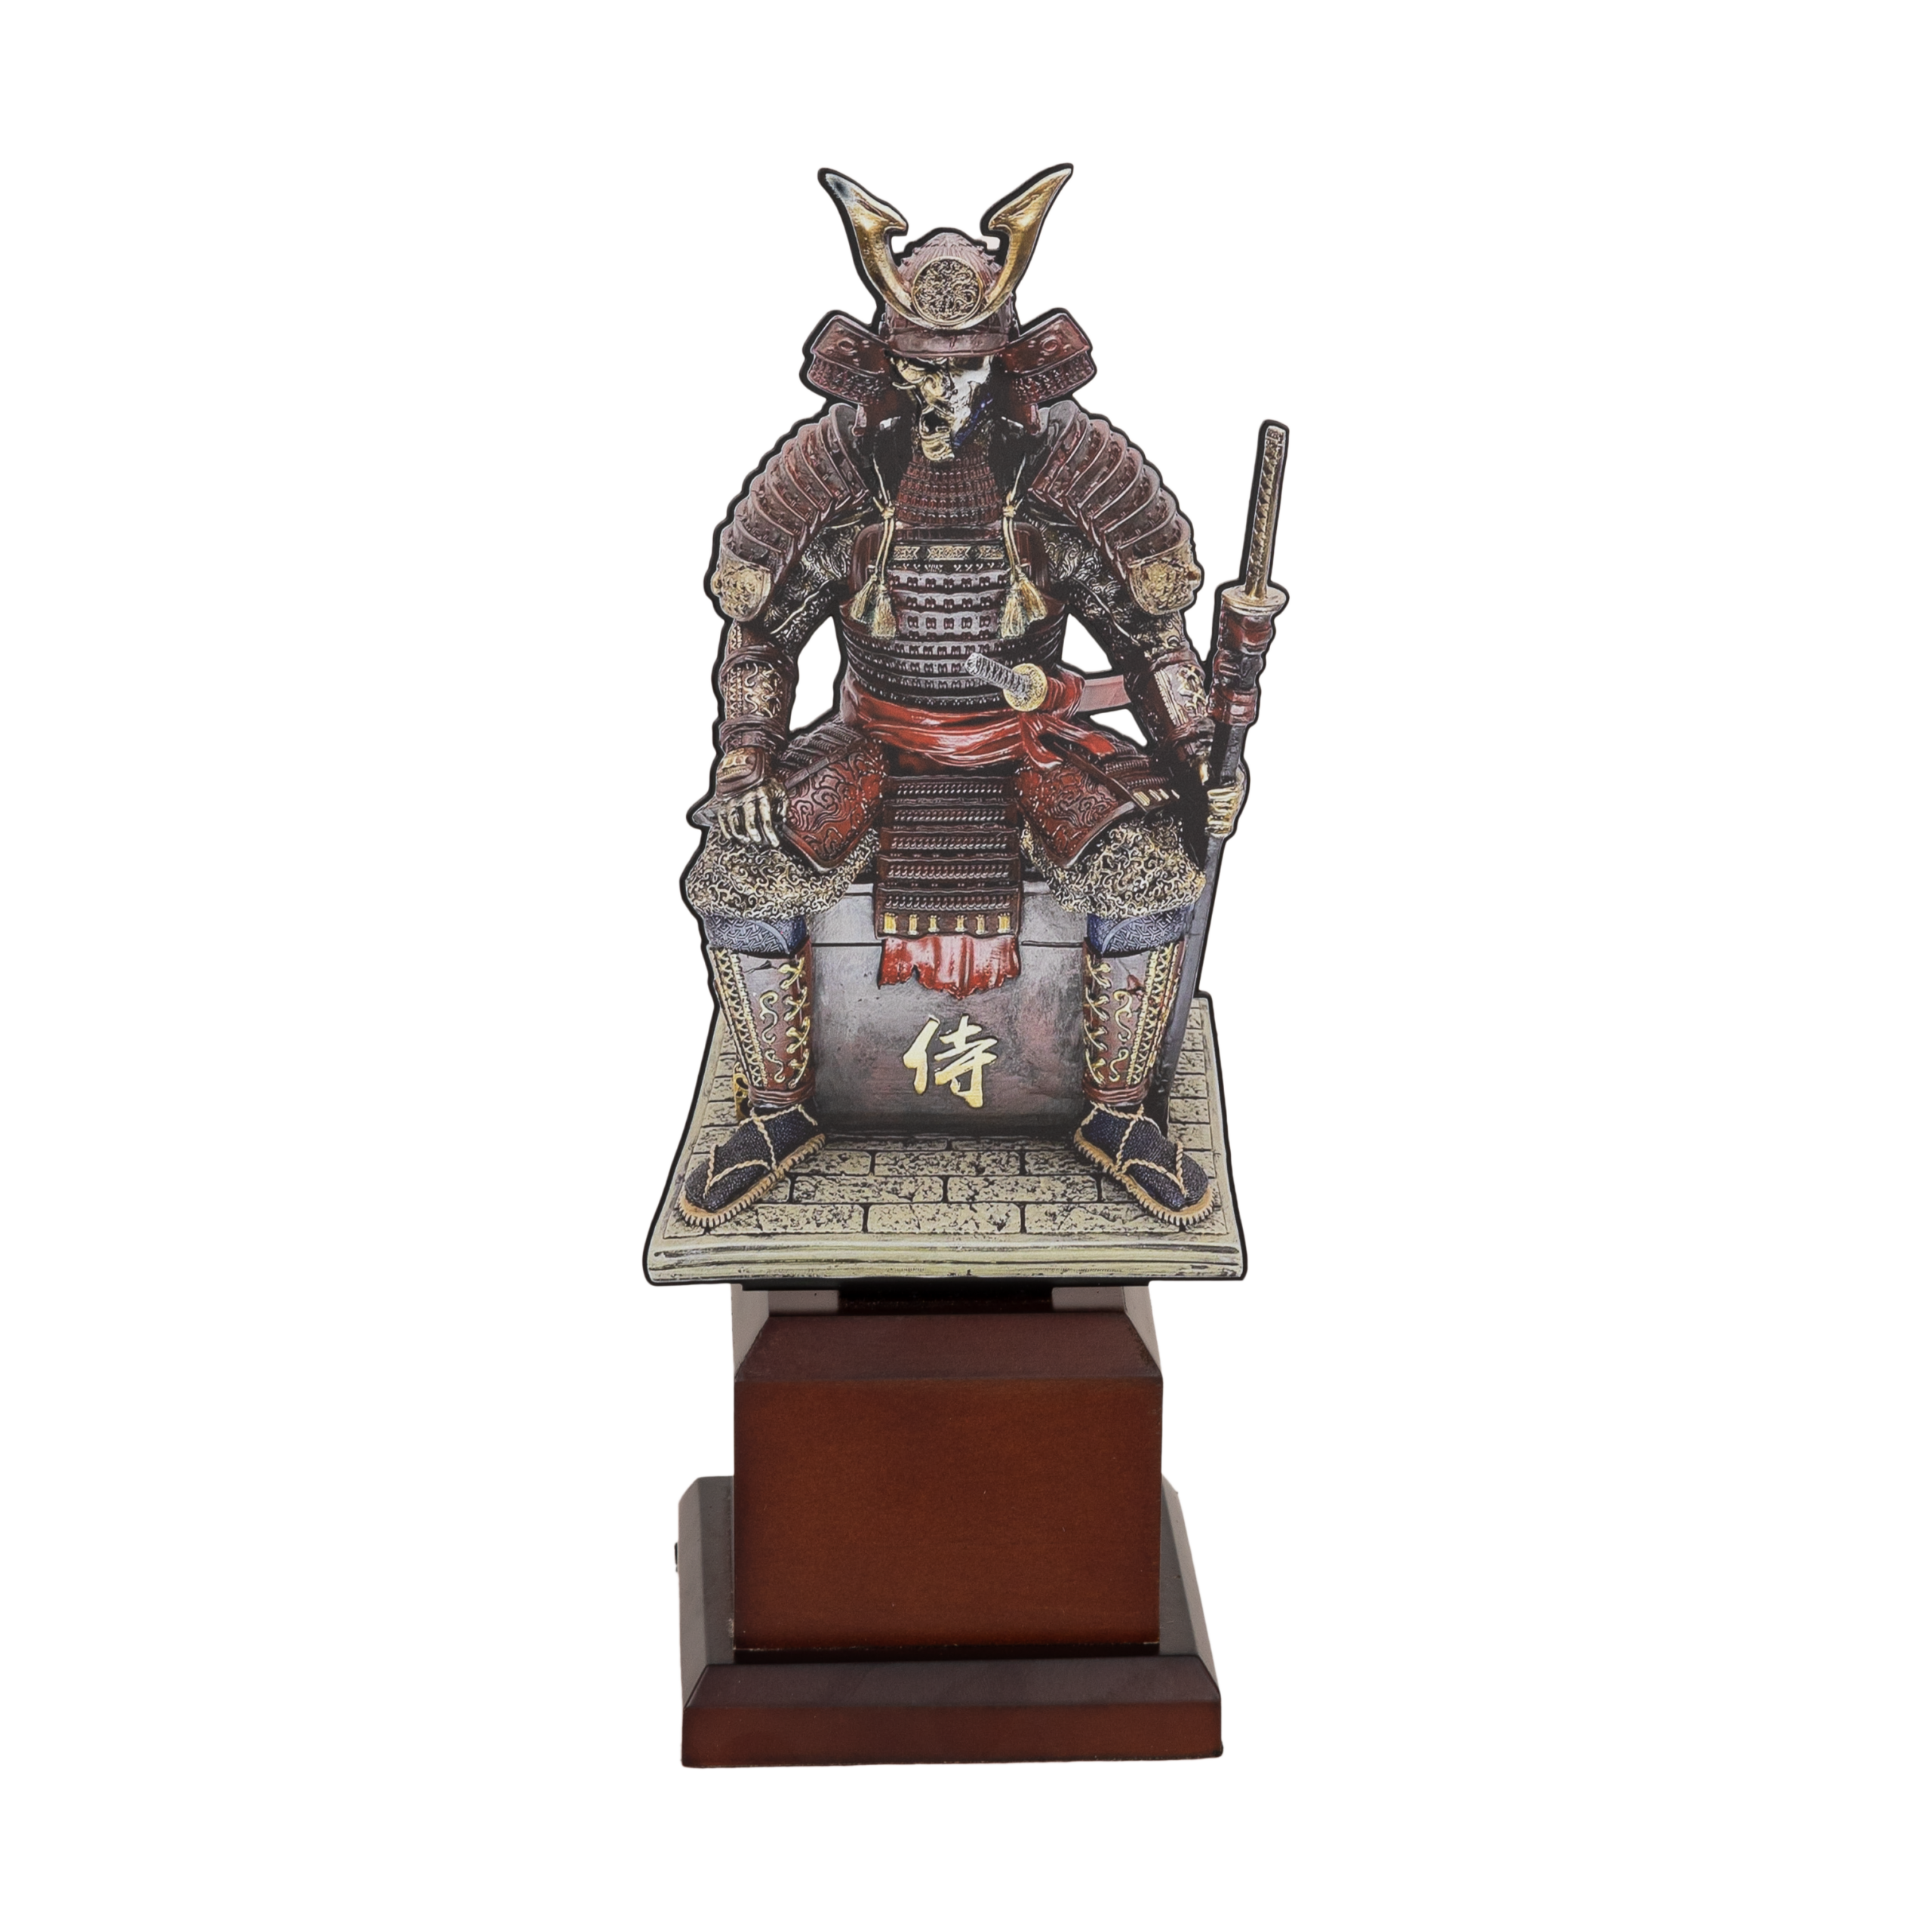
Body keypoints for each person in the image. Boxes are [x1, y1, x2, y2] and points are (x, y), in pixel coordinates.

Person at [676, 166, 1235, 1232]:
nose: (942, 395)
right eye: (920, 371)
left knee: (1150, 878)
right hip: (872, 746)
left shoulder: (1067, 472)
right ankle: (780, 1111)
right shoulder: (838, 473)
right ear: (883, 366)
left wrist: (1197, 750)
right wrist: (745, 758)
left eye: (965, 370)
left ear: (1007, 364)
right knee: (739, 877)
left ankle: (1117, 1114)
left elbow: (1151, 637)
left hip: (1027, 748)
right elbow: (762, 633)